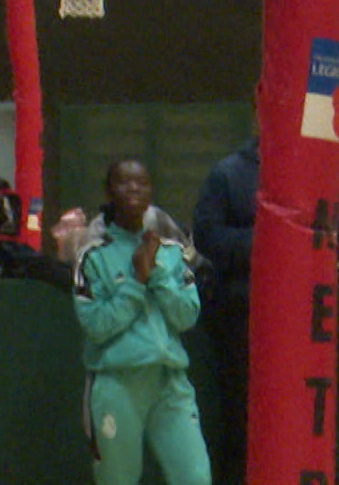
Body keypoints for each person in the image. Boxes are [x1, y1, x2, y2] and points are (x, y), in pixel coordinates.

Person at [75, 159, 211, 485]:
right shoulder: (93, 255)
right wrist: (137, 281)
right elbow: (97, 325)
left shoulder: (170, 251)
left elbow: (186, 316)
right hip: (117, 383)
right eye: (124, 182)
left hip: (170, 383)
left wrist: (157, 275)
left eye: (142, 183)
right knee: (117, 479)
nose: (134, 189)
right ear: (109, 191)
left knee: (195, 477)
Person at [192, 125, 257, 485]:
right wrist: (271, 239)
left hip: (305, 316)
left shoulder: (316, 168)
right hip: (240, 313)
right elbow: (207, 236)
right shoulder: (229, 173)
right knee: (241, 417)